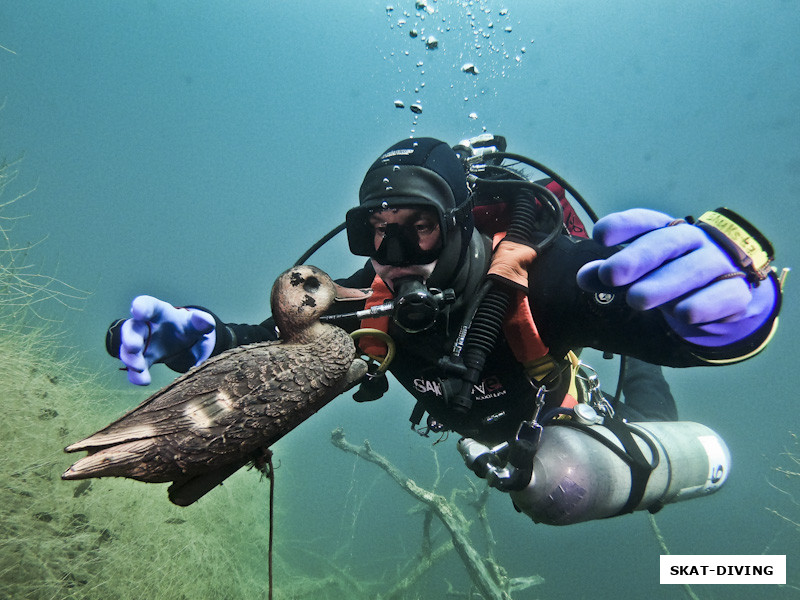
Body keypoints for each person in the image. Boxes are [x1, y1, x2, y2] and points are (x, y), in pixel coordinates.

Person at [106, 135, 782, 517]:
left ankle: (638, 383)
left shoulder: (542, 281)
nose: (393, 260)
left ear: (458, 224)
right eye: (375, 234)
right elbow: (264, 347)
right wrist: (196, 341)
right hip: (480, 431)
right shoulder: (368, 302)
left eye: (417, 229)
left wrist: (734, 303)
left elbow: (661, 318)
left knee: (578, 473)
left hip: (562, 418)